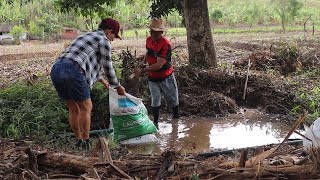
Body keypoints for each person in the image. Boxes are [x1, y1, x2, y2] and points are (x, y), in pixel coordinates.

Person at [50, 18, 125, 149]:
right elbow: (108, 66)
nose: (113, 39)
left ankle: (79, 141)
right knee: (86, 107)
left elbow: (85, 61)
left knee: (74, 108)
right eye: (114, 35)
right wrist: (117, 86)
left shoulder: (87, 36)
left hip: (56, 69)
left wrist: (101, 80)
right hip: (72, 70)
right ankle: (86, 143)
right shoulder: (104, 40)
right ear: (109, 31)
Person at [134, 18, 180, 127]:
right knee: (155, 100)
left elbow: (159, 64)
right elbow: (148, 53)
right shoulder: (149, 40)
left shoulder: (165, 44)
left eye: (155, 32)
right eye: (151, 31)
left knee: (172, 98)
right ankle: (155, 123)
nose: (153, 34)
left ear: (161, 32)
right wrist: (143, 63)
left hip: (166, 76)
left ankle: (176, 117)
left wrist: (143, 70)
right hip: (153, 77)